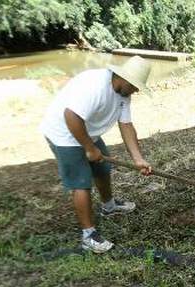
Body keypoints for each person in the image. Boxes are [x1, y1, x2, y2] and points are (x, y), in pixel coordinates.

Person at [40, 56, 153, 253]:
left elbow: (126, 125)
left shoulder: (124, 93)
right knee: (81, 182)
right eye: (135, 86)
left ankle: (109, 206)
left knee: (102, 168)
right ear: (123, 78)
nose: (136, 90)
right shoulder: (96, 86)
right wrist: (89, 148)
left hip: (85, 131)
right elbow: (70, 115)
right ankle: (88, 235)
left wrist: (138, 159)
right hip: (63, 133)